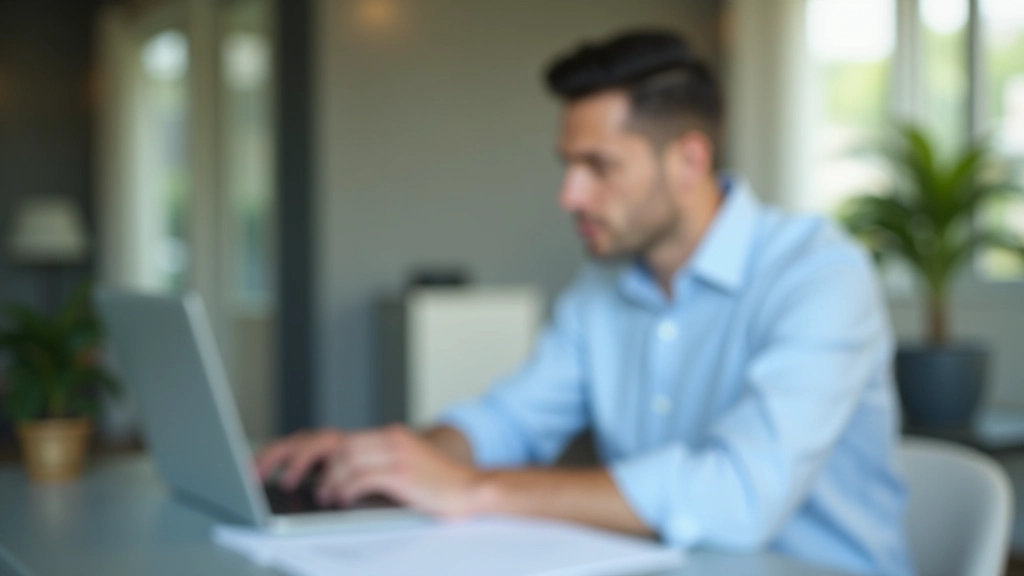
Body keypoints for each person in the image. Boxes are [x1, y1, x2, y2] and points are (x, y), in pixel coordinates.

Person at [257, 30, 913, 576]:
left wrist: (476, 490)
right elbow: (507, 421)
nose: (570, 195)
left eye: (599, 166)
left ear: (688, 162)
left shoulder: (819, 275)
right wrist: (395, 456)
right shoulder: (601, 291)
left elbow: (740, 498)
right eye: (568, 165)